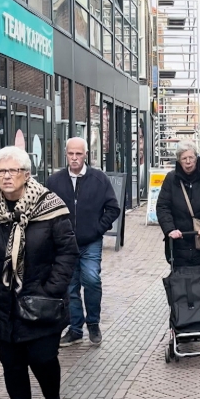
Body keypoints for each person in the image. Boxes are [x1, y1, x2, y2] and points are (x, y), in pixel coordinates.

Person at [0, 147, 79, 399]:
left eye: (13, 171)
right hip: (4, 304)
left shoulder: (50, 206)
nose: (6, 177)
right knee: (12, 367)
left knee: (43, 359)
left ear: (26, 174)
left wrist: (50, 290)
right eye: (1, 172)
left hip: (41, 303)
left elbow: (67, 252)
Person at [46, 137, 120, 347]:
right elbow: (46, 211)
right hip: (64, 244)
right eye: (71, 154)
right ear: (66, 154)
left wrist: (97, 229)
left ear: (86, 154)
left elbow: (113, 208)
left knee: (91, 279)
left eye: (79, 154)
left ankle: (93, 323)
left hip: (90, 242)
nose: (75, 158)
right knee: (70, 287)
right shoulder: (54, 181)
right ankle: (75, 328)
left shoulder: (99, 179)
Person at [156, 141, 200, 267]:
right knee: (179, 281)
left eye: (191, 157)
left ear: (196, 158)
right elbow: (163, 206)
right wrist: (170, 229)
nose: (188, 162)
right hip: (179, 243)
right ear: (179, 160)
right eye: (184, 158)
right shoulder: (171, 179)